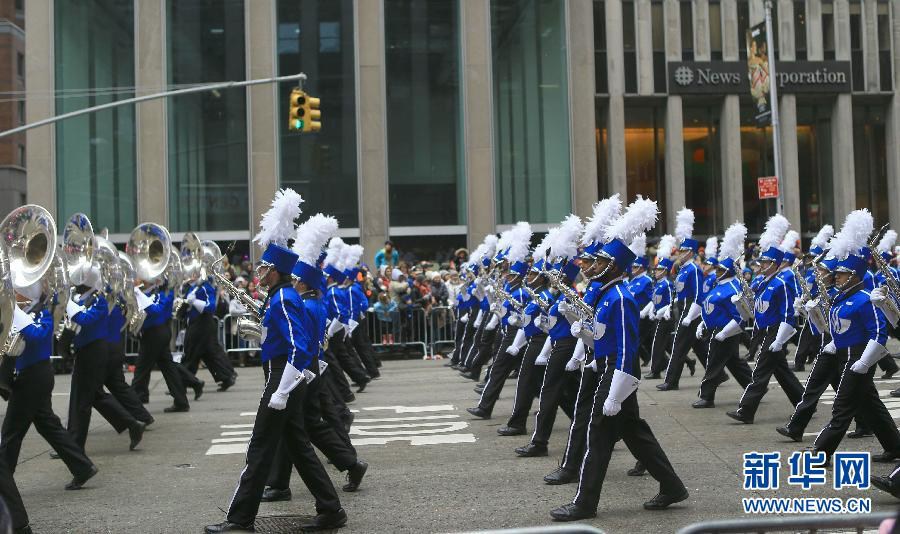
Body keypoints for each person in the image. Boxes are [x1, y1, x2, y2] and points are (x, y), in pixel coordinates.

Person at [207, 190, 346, 533]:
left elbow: (299, 345)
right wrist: (259, 331)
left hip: (283, 378)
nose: (259, 270)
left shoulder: (284, 297)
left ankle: (240, 520)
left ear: (275, 271)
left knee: (259, 449)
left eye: (264, 267)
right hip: (283, 373)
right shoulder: (279, 295)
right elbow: (282, 338)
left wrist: (282, 391)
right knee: (298, 447)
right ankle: (331, 510)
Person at [551, 197, 687, 521]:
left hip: (617, 373)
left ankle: (584, 503)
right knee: (634, 433)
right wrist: (581, 337)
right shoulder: (606, 294)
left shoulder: (621, 298)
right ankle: (672, 486)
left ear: (612, 266)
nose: (591, 267)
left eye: (597, 263)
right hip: (605, 368)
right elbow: (601, 337)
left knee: (598, 433)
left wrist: (614, 392)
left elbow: (626, 348)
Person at [811, 209, 900, 463]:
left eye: (840, 274)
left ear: (853, 276)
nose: (835, 277)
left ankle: (822, 452)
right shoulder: (841, 297)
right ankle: (895, 446)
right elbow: (836, 327)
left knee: (842, 407)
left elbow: (880, 332)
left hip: (858, 357)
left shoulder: (864, 299)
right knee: (870, 404)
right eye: (836, 273)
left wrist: (864, 362)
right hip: (843, 355)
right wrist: (830, 342)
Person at [0, 281, 98, 492]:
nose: (14, 292)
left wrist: (14, 311)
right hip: (33, 376)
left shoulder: (42, 309)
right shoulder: (28, 309)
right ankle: (82, 467)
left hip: (33, 377)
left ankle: (4, 484)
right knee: (49, 426)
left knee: (11, 432)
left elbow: (39, 336)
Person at [727, 215, 804, 424]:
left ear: (775, 264)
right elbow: (755, 306)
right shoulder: (762, 282)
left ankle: (746, 410)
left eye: (766, 262)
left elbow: (788, 313)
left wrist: (779, 341)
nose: (761, 265)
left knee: (760, 372)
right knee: (782, 372)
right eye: (762, 261)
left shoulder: (781, 282)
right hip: (763, 330)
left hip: (775, 330)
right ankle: (804, 402)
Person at [692, 223, 753, 409]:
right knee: (734, 363)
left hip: (725, 332)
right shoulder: (718, 285)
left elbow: (740, 316)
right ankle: (754, 387)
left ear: (727, 271)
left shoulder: (733, 288)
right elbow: (709, 307)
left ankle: (707, 396)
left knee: (713, 363)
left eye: (720, 270)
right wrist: (702, 323)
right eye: (716, 269)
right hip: (714, 329)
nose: (716, 272)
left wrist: (725, 333)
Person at [132, 278, 198, 412]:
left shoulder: (163, 293)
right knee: (169, 369)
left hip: (155, 334)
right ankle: (181, 401)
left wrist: (138, 293)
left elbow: (156, 311)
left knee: (141, 369)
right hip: (154, 333)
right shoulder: (153, 293)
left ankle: (133, 404)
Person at [658, 208, 705, 390]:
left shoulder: (694, 269)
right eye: (680, 250)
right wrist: (671, 307)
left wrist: (690, 315)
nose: (680, 253)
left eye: (684, 250)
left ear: (691, 252)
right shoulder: (683, 270)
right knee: (697, 347)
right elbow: (678, 292)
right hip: (682, 308)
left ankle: (671, 381)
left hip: (690, 310)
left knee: (678, 345)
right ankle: (719, 374)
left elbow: (699, 295)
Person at [182, 267, 237, 391]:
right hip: (195, 323)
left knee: (191, 352)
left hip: (203, 323)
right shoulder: (192, 287)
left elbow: (211, 307)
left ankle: (182, 382)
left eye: (193, 274)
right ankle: (227, 376)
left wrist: (194, 301)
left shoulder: (206, 287)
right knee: (209, 353)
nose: (190, 276)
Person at [644, 235, 677, 379]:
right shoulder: (657, 284)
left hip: (665, 317)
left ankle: (656, 370)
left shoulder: (667, 284)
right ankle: (659, 367)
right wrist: (651, 310)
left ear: (665, 271)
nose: (655, 271)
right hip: (658, 316)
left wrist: (661, 312)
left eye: (658, 270)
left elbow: (671, 301)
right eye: (656, 269)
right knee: (662, 344)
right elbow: (654, 300)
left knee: (657, 345)